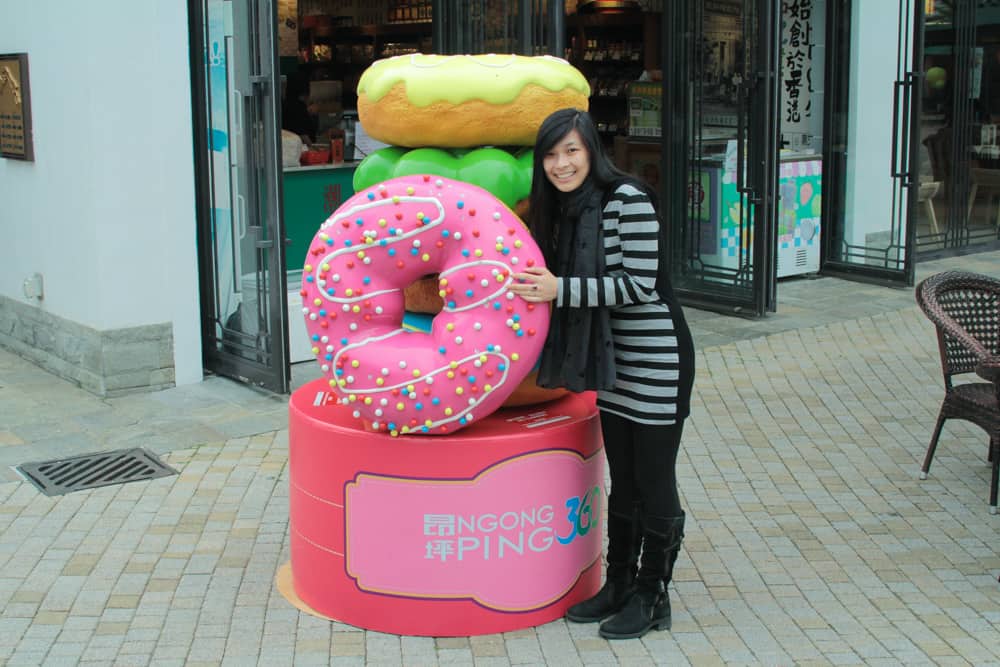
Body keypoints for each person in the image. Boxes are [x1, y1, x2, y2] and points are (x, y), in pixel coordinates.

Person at [508, 108, 695, 640]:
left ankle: (653, 596)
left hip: (656, 357)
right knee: (624, 479)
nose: (560, 163)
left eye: (571, 150)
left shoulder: (627, 199)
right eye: (550, 154)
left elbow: (638, 284)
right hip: (610, 358)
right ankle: (618, 585)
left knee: (654, 480)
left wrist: (558, 289)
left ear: (592, 149)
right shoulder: (563, 211)